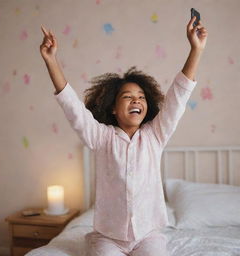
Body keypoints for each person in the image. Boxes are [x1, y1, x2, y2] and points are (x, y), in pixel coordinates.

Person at [40, 15, 208, 256]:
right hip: (109, 237)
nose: (136, 100)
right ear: (113, 108)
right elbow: (72, 107)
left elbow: (178, 98)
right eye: (128, 96)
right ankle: (93, 241)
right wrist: (51, 60)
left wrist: (196, 49)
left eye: (141, 96)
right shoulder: (101, 138)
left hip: (148, 236)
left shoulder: (155, 135)